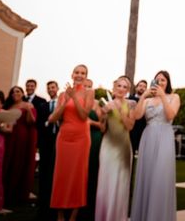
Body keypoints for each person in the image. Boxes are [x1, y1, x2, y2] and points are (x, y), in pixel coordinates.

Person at [130, 70, 180, 221]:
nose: (160, 82)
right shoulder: (146, 101)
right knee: (147, 175)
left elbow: (170, 115)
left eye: (163, 80)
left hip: (165, 136)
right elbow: (137, 116)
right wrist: (144, 96)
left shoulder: (174, 97)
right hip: (148, 137)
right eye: (157, 80)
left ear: (168, 83)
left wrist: (163, 96)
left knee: (161, 176)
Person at [50, 65, 94, 221]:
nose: (79, 75)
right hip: (64, 138)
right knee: (61, 175)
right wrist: (65, 101)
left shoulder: (90, 92)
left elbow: (83, 116)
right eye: (77, 72)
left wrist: (74, 97)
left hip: (81, 138)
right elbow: (52, 119)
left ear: (86, 76)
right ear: (72, 74)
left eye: (83, 73)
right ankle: (60, 215)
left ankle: (73, 216)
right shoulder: (62, 94)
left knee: (78, 175)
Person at [95, 76, 136, 221]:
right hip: (108, 147)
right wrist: (103, 115)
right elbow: (102, 128)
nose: (121, 89)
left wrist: (120, 110)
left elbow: (130, 126)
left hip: (124, 147)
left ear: (128, 90)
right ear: (114, 88)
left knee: (121, 184)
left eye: (125, 87)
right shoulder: (106, 104)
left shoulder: (131, 104)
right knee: (106, 181)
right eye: (119, 86)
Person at [3, 85, 37, 206]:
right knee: (8, 161)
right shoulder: (9, 106)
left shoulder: (28, 105)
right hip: (8, 136)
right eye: (13, 92)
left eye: (17, 91)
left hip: (22, 136)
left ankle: (16, 194)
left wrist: (28, 110)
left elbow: (31, 122)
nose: (15, 94)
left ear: (22, 94)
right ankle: (4, 192)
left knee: (18, 162)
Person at [81, 78, 103, 221]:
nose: (87, 89)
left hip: (93, 139)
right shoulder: (72, 100)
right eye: (85, 86)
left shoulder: (96, 104)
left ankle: (88, 204)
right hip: (77, 138)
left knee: (90, 170)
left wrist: (90, 122)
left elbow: (102, 125)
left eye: (90, 86)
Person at [39, 80, 60, 220]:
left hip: (60, 137)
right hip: (46, 140)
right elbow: (40, 123)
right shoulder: (43, 105)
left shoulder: (62, 102)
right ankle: (44, 195)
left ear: (57, 88)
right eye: (49, 88)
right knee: (45, 166)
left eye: (53, 87)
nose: (51, 89)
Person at [128, 79, 147, 154]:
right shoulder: (129, 99)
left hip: (143, 129)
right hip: (132, 129)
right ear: (136, 88)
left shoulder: (148, 101)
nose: (142, 88)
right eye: (140, 86)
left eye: (144, 87)